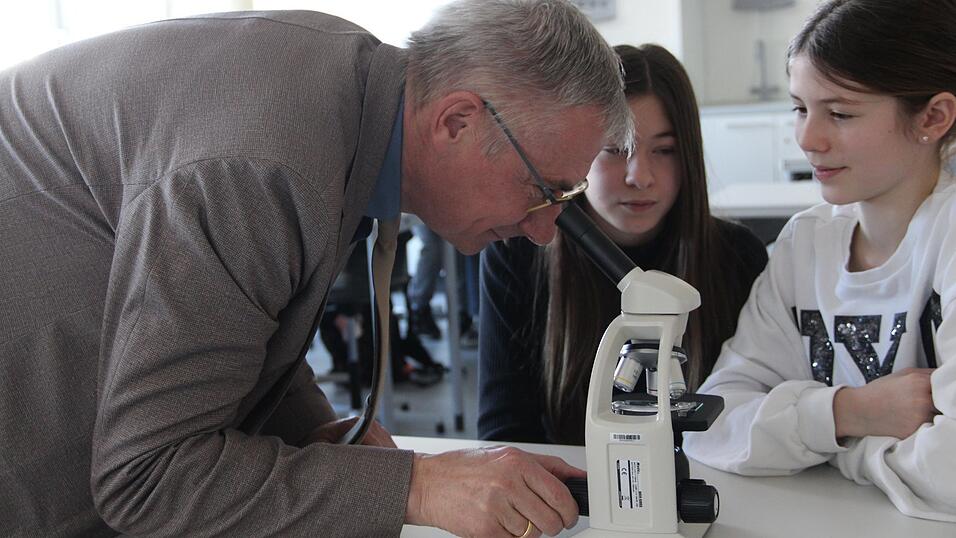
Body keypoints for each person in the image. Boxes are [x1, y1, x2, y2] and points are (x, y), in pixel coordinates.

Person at [0, 2, 634, 536]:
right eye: (544, 190)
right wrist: (416, 487)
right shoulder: (264, 166)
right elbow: (146, 479)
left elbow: (233, 314)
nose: (544, 229)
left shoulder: (348, 92)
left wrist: (314, 430)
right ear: (457, 121)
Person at [683, 0, 956, 522]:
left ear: (934, 117)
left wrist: (836, 450)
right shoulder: (805, 243)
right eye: (800, 109)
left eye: (841, 113)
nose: (808, 139)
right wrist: (848, 413)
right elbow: (711, 423)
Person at [478, 44, 769, 445]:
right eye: (615, 149)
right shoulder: (519, 252)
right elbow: (503, 435)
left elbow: (760, 420)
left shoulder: (738, 256)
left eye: (664, 151)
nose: (640, 176)